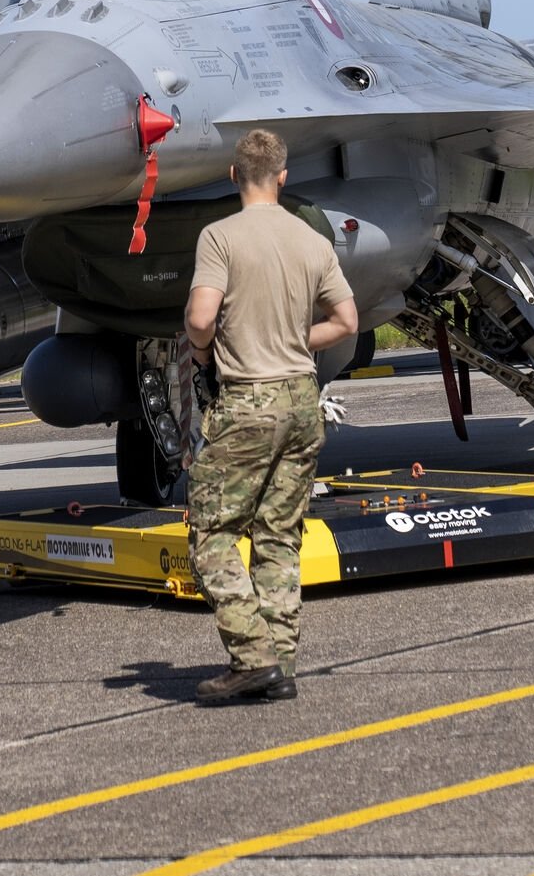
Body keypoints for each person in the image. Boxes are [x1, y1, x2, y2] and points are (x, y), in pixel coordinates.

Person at [183, 128, 358, 702]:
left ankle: (253, 656)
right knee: (278, 533)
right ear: (283, 178)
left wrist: (205, 353)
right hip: (302, 401)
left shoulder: (220, 237)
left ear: (235, 175)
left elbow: (201, 319)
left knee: (210, 533)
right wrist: (292, 337)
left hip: (247, 402)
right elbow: (347, 322)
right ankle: (277, 658)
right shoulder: (311, 240)